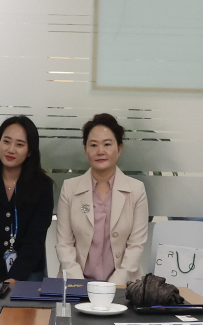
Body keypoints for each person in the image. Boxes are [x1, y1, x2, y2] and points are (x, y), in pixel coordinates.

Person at [55, 114, 148, 285]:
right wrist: (80, 285)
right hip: (76, 286)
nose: (100, 151)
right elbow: (64, 244)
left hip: (123, 286)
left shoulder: (136, 190)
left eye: (107, 144)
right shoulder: (70, 188)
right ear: (85, 150)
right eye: (93, 145)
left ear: (119, 149)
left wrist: (112, 287)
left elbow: (136, 246)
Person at [0, 116, 55, 283]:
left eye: (20, 144)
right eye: (6, 141)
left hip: (27, 272)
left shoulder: (42, 187)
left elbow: (35, 239)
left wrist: (16, 277)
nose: (11, 149)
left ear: (30, 151)